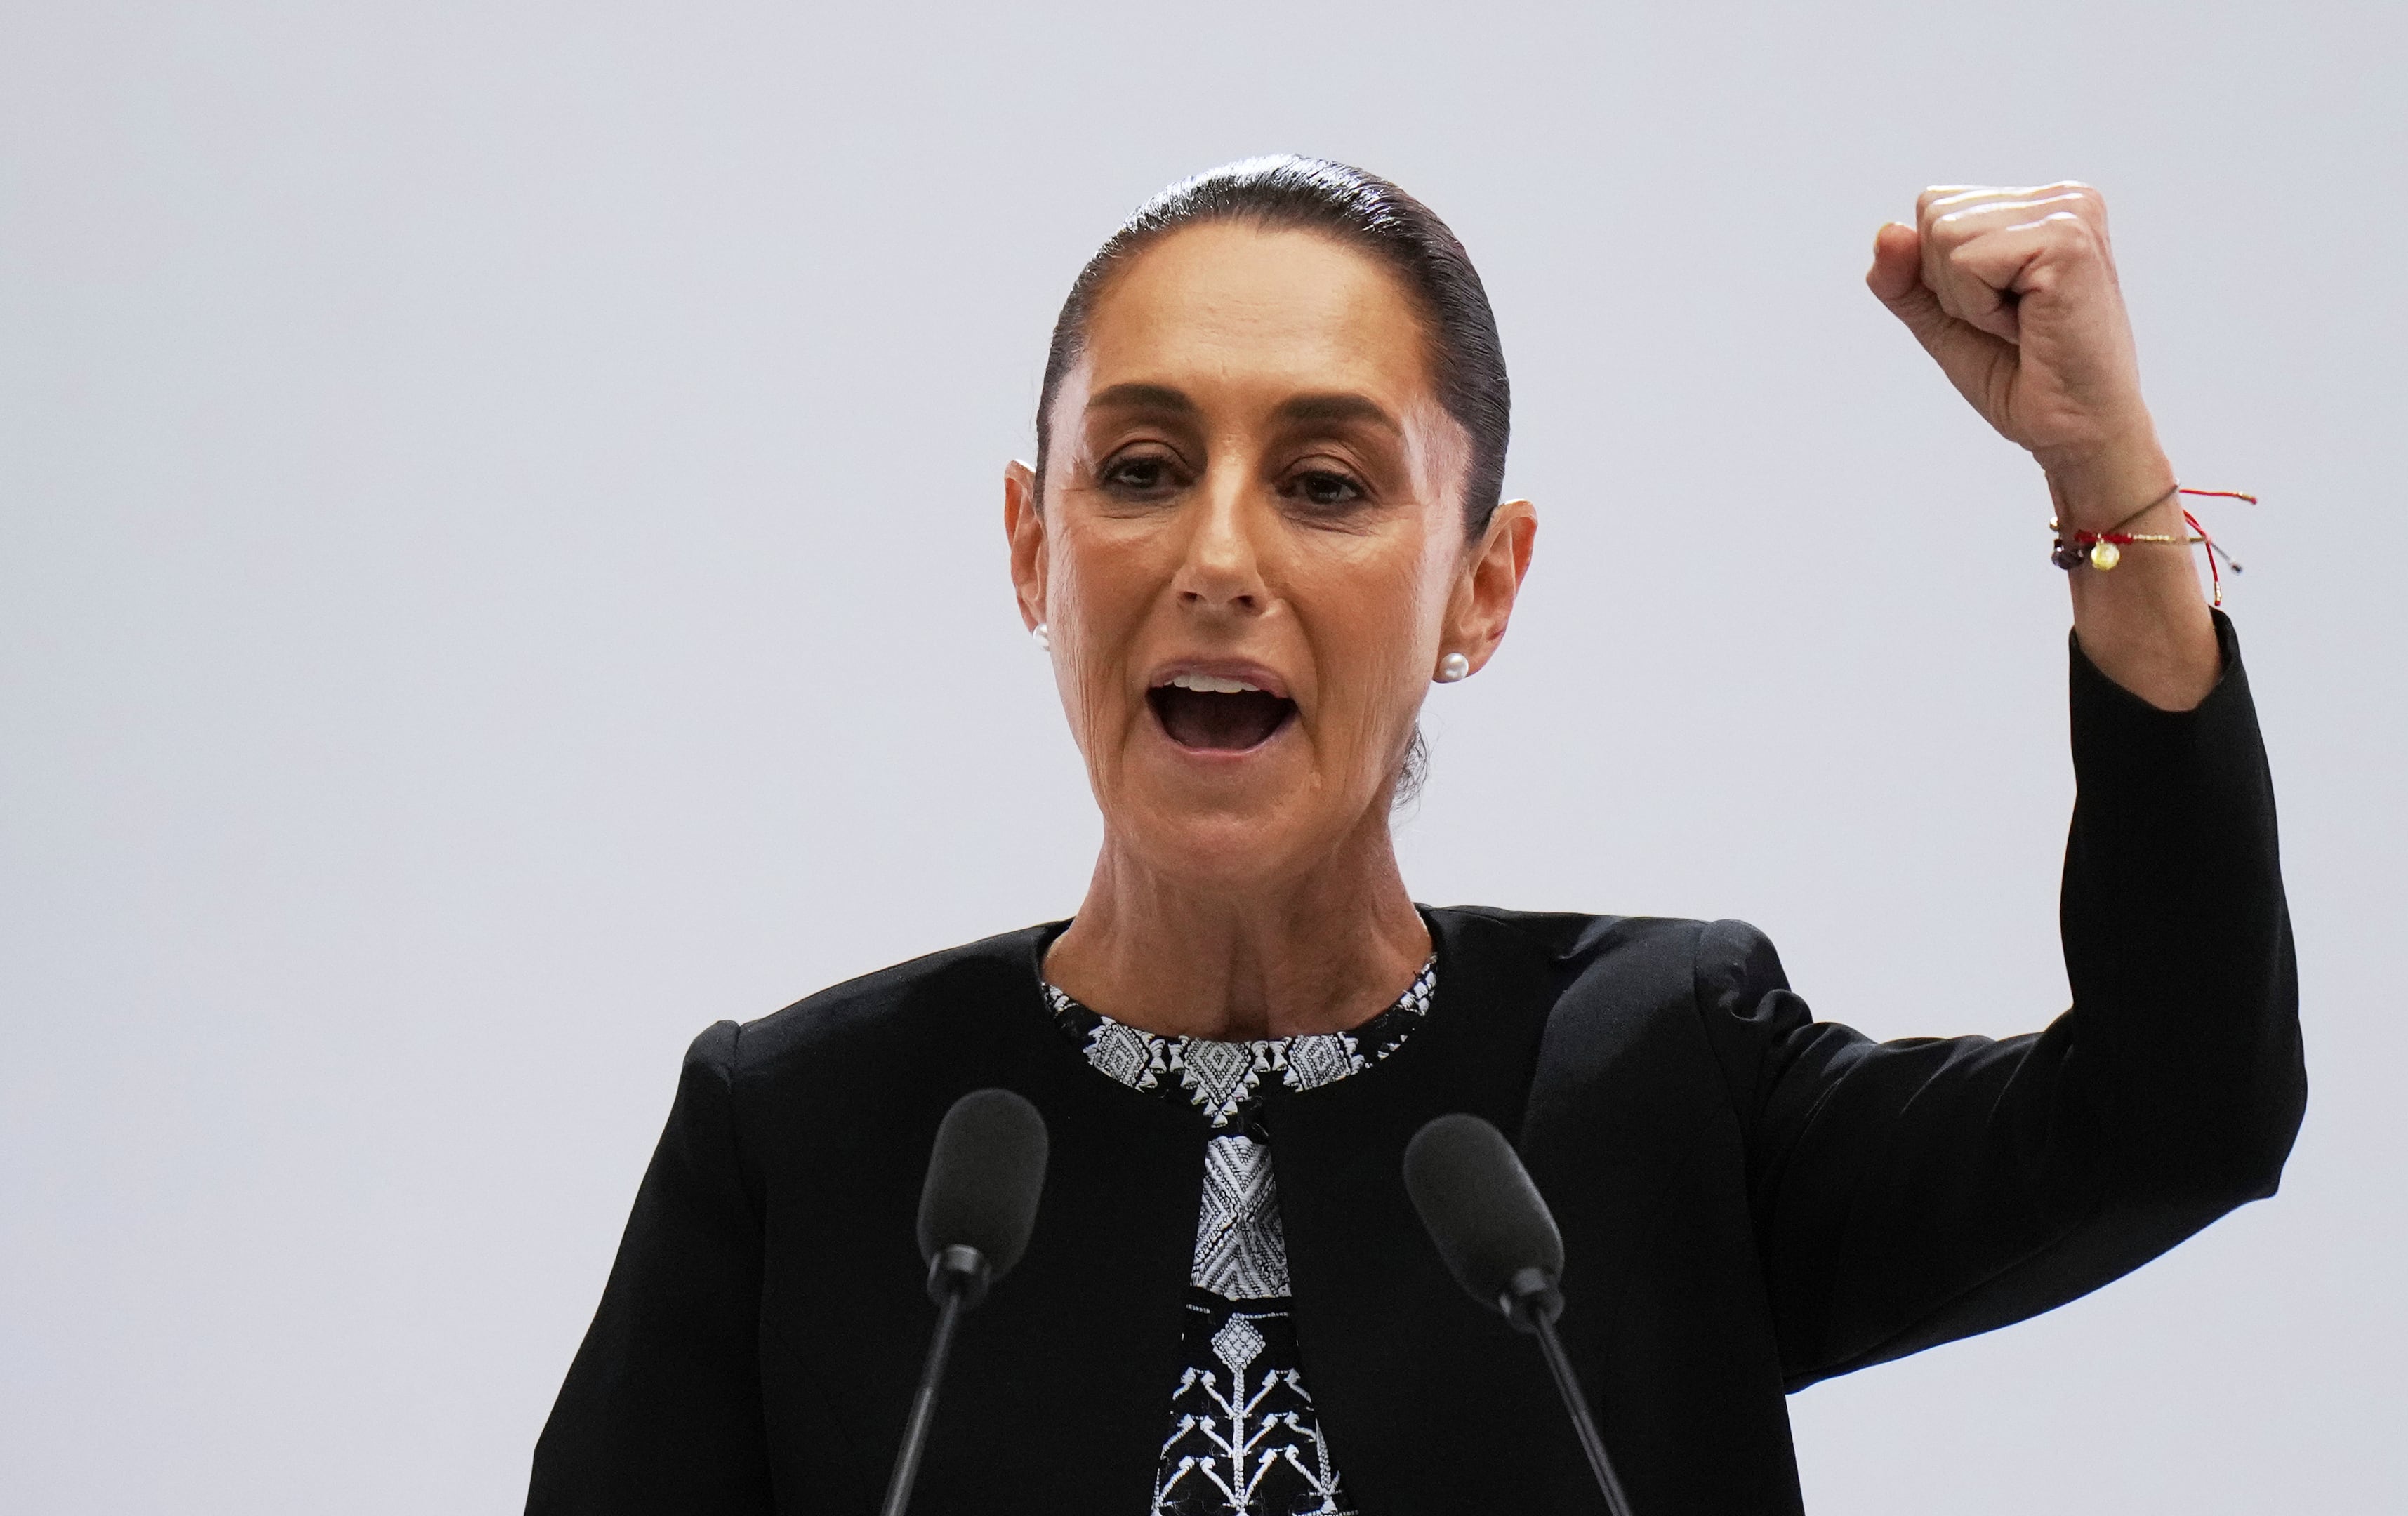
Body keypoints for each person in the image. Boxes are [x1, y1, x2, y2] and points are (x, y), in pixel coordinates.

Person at [526, 157, 2303, 1516]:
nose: (1220, 555)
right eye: (1139, 469)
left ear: (1482, 584)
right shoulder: (804, 1133)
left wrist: (2108, 486)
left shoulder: (1656, 1073)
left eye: (1325, 484)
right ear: (1030, 549)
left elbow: (2182, 1115)